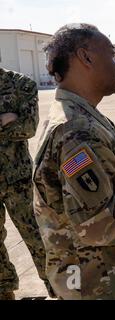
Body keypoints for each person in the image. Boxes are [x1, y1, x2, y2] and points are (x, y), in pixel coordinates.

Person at [33, 23, 115, 300]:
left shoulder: (81, 117)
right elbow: (98, 225)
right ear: (87, 57)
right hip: (102, 288)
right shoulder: (75, 131)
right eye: (112, 53)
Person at [0, 68, 54, 300]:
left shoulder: (21, 84)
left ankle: (59, 288)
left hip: (17, 180)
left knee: (39, 237)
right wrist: (7, 118)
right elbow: (17, 125)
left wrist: (15, 122)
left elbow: (28, 128)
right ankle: (4, 292)